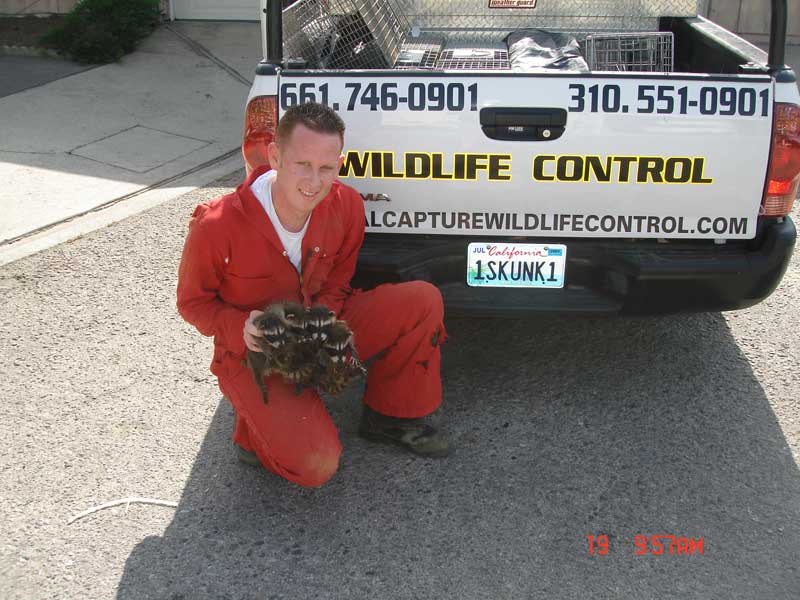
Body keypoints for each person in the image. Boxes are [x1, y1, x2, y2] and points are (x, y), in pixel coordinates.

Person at [176, 102, 449, 488]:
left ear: (340, 163)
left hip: (315, 325)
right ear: (275, 155)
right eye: (302, 164)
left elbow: (338, 280)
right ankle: (254, 431)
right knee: (317, 465)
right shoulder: (217, 225)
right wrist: (242, 326)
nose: (315, 181)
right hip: (254, 352)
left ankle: (388, 416)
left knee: (422, 300)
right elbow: (192, 304)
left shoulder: (348, 206)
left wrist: (321, 332)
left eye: (327, 168)